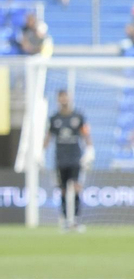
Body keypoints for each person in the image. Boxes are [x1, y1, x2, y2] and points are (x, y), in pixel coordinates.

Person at [45, 90, 91, 231]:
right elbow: (48, 136)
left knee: (77, 187)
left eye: (66, 97)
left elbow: (85, 134)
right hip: (60, 158)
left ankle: (75, 220)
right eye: (61, 97)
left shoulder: (78, 116)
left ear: (69, 99)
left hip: (75, 157)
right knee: (63, 189)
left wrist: (90, 149)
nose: (64, 100)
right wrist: (41, 152)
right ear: (58, 99)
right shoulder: (54, 118)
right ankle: (65, 220)